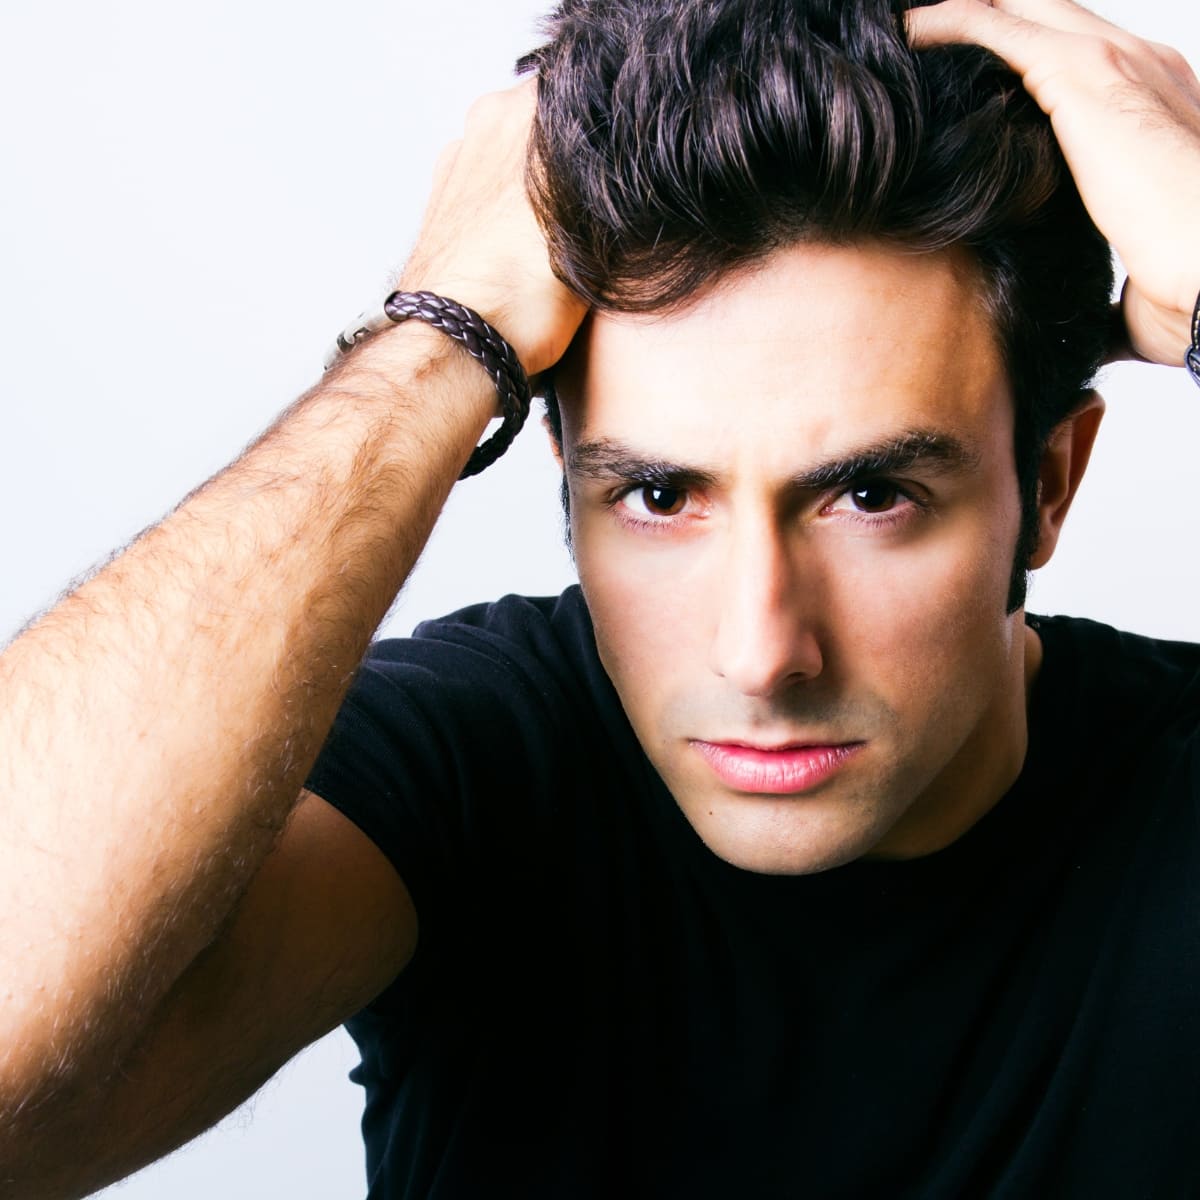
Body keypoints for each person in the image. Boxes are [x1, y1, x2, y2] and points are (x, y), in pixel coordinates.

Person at [2, 0, 1199, 1197]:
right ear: (567, 479)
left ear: (1048, 485)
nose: (759, 652)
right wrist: (438, 340)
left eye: (872, 495)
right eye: (660, 496)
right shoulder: (479, 758)